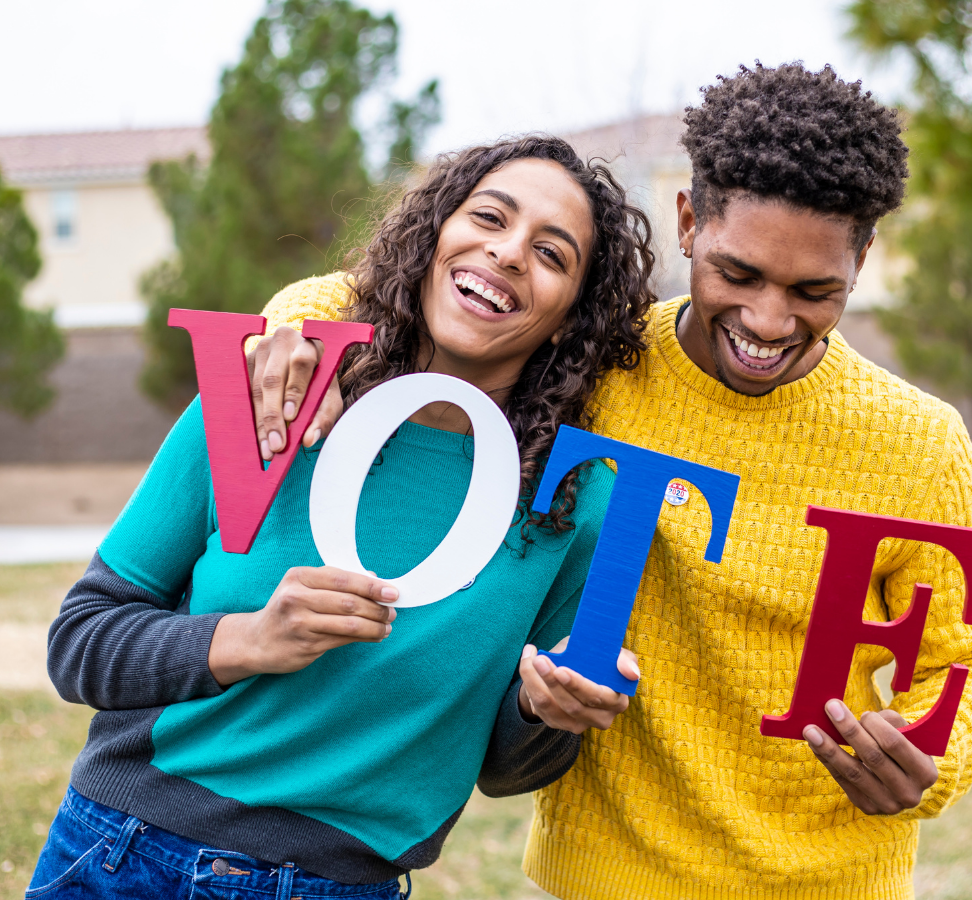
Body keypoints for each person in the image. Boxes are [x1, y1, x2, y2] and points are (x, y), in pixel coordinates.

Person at [248, 62, 972, 899]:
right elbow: (407, 295)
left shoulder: (919, 441)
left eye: (813, 291)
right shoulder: (588, 366)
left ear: (863, 258)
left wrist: (933, 755)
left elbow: (968, 656)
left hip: (827, 881)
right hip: (600, 877)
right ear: (688, 222)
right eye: (739, 274)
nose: (768, 320)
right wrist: (294, 323)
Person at [30, 135, 653, 900]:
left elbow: (503, 767)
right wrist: (249, 639)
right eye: (489, 217)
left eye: (553, 255)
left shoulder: (571, 503)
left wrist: (540, 709)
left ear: (569, 320)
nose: (509, 252)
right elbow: (80, 641)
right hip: (123, 856)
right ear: (433, 238)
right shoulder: (270, 399)